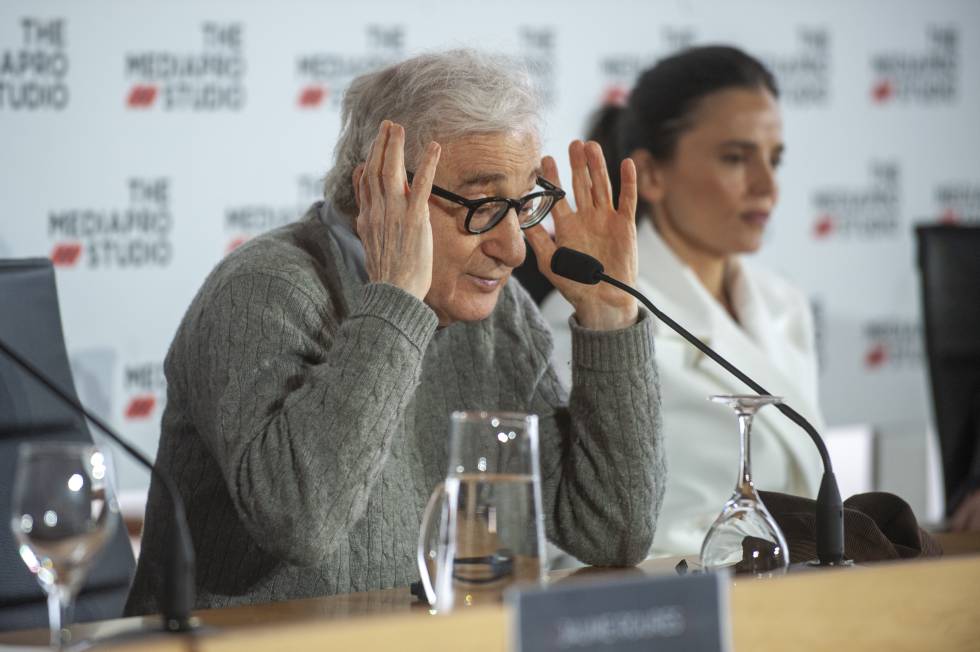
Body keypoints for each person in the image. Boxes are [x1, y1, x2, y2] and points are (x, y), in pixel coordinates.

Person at [124, 49, 664, 614]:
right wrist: (396, 304)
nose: (513, 248)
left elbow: (612, 532)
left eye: (524, 203)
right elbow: (300, 523)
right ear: (380, 190)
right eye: (481, 206)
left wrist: (609, 318)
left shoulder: (497, 313)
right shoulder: (262, 291)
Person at [542, 45, 824, 557]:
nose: (767, 186)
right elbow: (568, 536)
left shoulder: (786, 306)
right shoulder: (589, 314)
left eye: (774, 159)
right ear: (649, 175)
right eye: (736, 158)